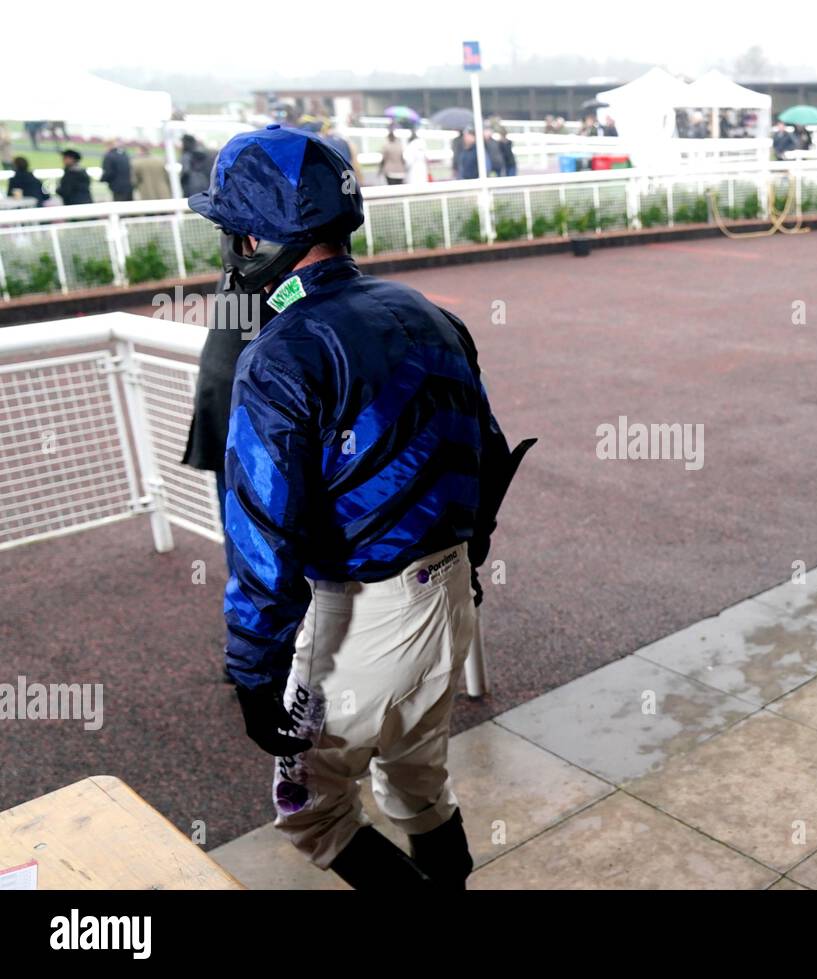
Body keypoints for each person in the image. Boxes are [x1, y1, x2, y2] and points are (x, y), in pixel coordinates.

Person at [187, 123, 529, 889]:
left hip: (359, 619)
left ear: (252, 237)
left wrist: (252, 670)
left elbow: (264, 536)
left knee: (311, 809)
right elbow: (488, 456)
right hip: (447, 600)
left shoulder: (278, 353)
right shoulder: (428, 313)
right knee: (417, 784)